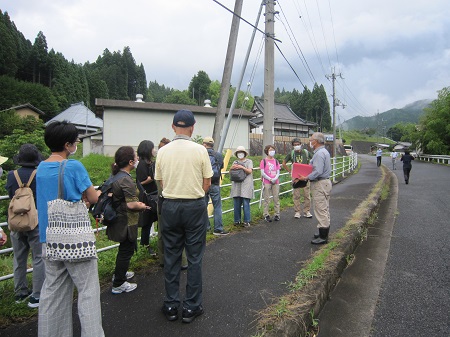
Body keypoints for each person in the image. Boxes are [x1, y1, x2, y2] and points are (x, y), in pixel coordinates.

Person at [36, 120, 104, 337]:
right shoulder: (73, 165)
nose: (75, 145)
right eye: (74, 141)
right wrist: (93, 196)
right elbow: (92, 196)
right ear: (67, 145)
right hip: (75, 237)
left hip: (49, 237)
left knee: (52, 292)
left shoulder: (41, 167)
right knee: (87, 291)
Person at [155, 109, 212, 324]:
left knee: (171, 256)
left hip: (169, 206)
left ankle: (171, 305)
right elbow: (207, 183)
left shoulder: (163, 151)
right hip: (194, 206)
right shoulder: (200, 150)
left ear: (172, 127)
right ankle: (191, 307)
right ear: (192, 127)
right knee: (195, 258)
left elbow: (161, 183)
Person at [5, 144, 45, 307]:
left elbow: (9, 195)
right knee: (38, 258)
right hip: (34, 222)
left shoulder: (11, 175)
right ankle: (36, 295)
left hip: (16, 222)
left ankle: (20, 293)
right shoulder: (38, 174)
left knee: (19, 258)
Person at [107, 146, 148, 294]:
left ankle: (120, 274)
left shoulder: (116, 176)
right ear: (130, 162)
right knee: (126, 250)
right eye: (135, 157)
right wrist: (142, 205)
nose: (137, 159)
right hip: (126, 220)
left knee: (123, 249)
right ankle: (119, 283)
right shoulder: (126, 179)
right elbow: (132, 204)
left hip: (119, 218)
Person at [155, 138, 188, 270]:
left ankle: (165, 260)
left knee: (164, 232)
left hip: (163, 201)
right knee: (179, 232)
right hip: (175, 201)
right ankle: (181, 261)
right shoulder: (176, 164)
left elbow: (159, 184)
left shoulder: (158, 163)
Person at [296, 132, 332, 245]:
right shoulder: (322, 152)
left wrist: (306, 177)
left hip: (320, 183)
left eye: (311, 139)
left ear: (315, 141)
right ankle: (323, 231)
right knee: (324, 208)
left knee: (320, 208)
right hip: (324, 183)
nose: (309, 141)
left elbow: (318, 171)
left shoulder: (319, 153)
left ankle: (323, 236)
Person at [136, 140, 158, 256]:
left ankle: (153, 244)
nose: (154, 150)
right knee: (147, 222)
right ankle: (145, 245)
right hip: (146, 197)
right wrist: (150, 179)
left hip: (153, 195)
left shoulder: (150, 162)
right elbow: (140, 182)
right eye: (152, 148)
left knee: (153, 219)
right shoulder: (142, 164)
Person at [203, 136, 228, 235]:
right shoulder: (218, 155)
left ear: (204, 144)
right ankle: (218, 229)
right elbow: (221, 166)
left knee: (203, 206)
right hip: (215, 183)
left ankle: (206, 227)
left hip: (203, 183)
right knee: (217, 206)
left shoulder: (201, 153)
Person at [282, 138, 313, 219]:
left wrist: (310, 169)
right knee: (296, 195)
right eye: (295, 145)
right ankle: (297, 212)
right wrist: (290, 171)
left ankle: (307, 211)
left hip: (305, 176)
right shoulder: (291, 153)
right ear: (293, 146)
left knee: (307, 194)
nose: (297, 146)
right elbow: (284, 163)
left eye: (298, 144)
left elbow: (313, 159)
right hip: (295, 177)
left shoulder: (306, 152)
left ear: (301, 144)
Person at [230, 146, 254, 227]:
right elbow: (230, 172)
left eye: (241, 152)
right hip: (237, 185)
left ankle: (247, 221)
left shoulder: (249, 161)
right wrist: (232, 168)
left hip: (246, 184)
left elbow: (249, 171)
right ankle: (237, 220)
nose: (240, 154)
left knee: (245, 202)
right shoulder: (235, 162)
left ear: (244, 153)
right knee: (236, 203)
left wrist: (242, 167)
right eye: (238, 152)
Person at [260, 144, 281, 222]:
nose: (272, 151)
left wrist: (275, 178)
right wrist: (269, 178)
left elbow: (278, 171)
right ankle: (266, 214)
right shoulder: (263, 161)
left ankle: (277, 214)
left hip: (275, 181)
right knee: (266, 198)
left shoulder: (276, 161)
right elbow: (262, 172)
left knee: (276, 198)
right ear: (267, 151)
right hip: (267, 181)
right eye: (270, 150)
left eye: (273, 149)